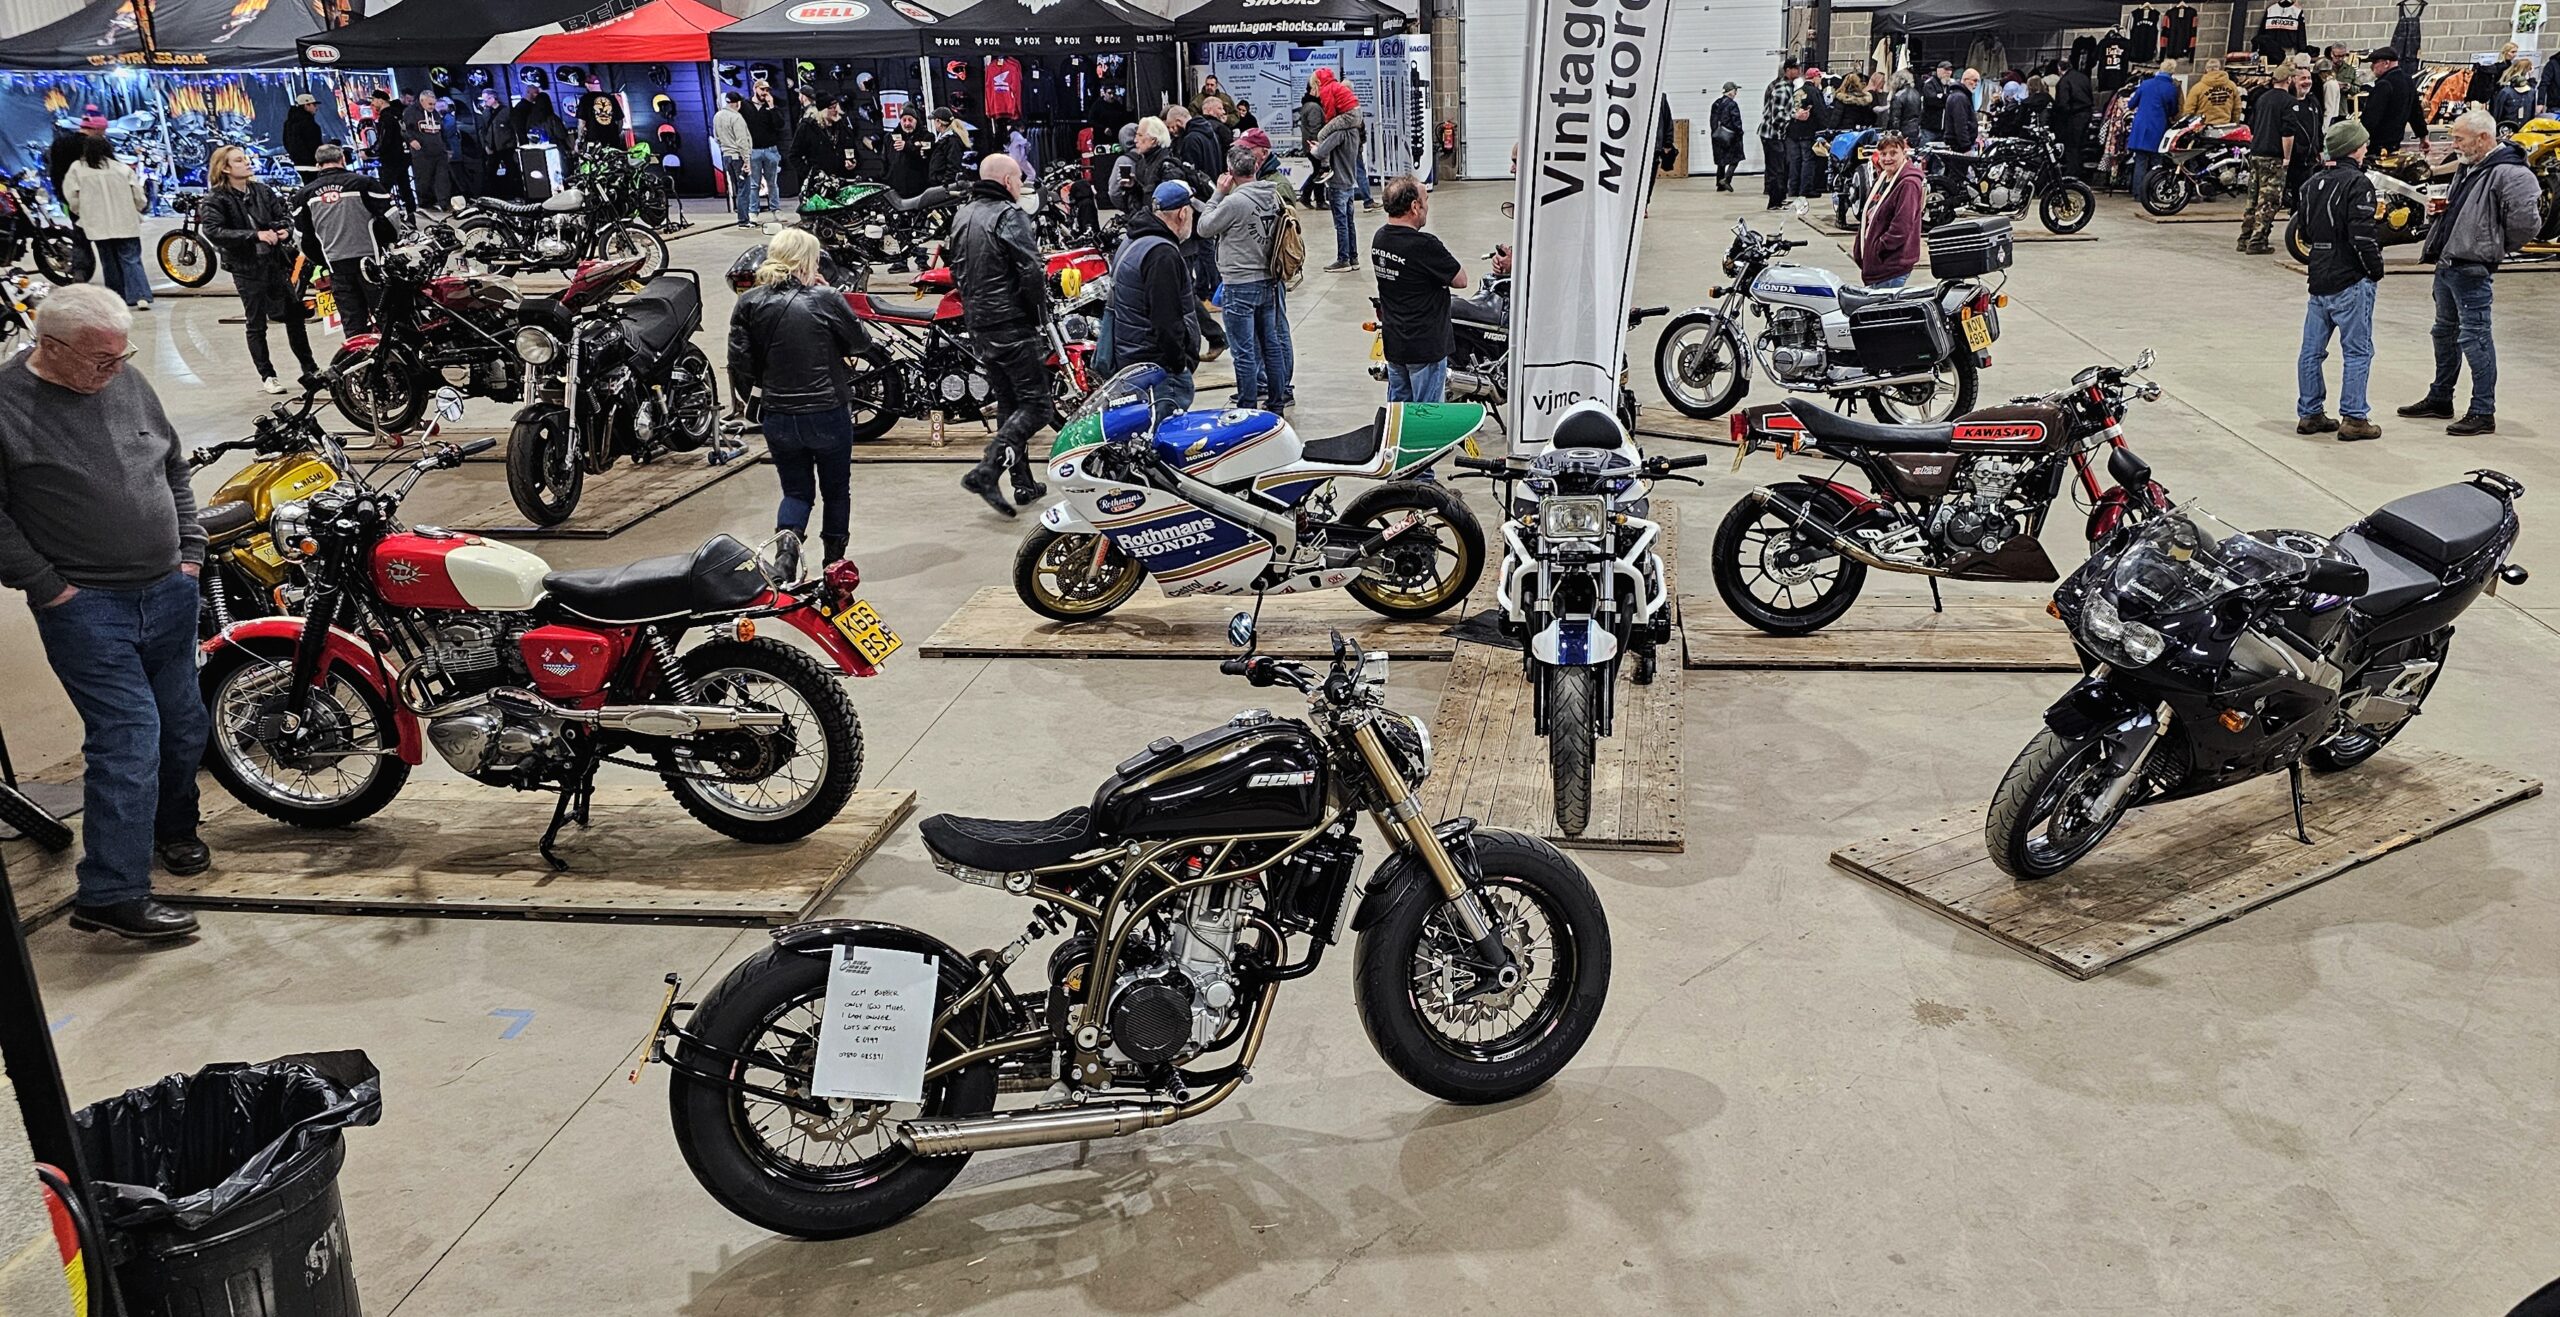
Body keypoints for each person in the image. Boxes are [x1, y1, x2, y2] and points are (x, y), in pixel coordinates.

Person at [0, 284, 208, 941]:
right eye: (100, 360)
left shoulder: (125, 379)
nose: (114, 371)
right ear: (51, 346)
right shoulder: (5, 404)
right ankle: (111, 892)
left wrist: (190, 552)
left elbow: (171, 465)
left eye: (122, 357)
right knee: (128, 736)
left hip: (168, 589)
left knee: (183, 724)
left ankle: (172, 829)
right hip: (87, 607)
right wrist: (47, 586)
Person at [727, 228, 868, 571]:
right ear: (808, 261)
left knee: (795, 492)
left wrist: (766, 388)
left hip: (778, 415)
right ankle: (834, 565)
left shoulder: (748, 302)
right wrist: (831, 295)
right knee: (836, 491)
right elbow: (861, 343)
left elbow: (740, 363)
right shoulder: (825, 297)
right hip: (827, 411)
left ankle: (786, 557)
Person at [2401, 110, 2540, 436]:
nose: (2454, 144)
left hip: (2472, 268)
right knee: (2443, 333)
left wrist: (2491, 245)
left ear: (2483, 138)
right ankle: (2440, 398)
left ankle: (2482, 411)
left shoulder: (2512, 174)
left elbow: (2527, 224)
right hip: (2448, 263)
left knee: (2475, 338)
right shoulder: (2469, 166)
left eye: (2459, 139)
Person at [949, 157, 1053, 517]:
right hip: (1011, 323)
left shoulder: (962, 215)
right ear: (1008, 181)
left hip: (979, 324)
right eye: (1019, 179)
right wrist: (1038, 316)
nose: (1021, 186)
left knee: (1010, 402)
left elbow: (955, 270)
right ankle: (987, 469)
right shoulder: (1009, 215)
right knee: (1038, 406)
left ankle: (1022, 483)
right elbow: (1030, 269)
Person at [200, 146, 318, 394]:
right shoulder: (215, 199)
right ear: (225, 168)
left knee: (295, 316)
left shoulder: (262, 191)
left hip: (275, 263)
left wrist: (284, 230)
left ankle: (310, 369)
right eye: (239, 160)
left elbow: (284, 216)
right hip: (246, 267)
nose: (247, 162)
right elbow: (214, 231)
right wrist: (255, 235)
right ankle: (268, 375)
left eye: (245, 158)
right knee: (256, 323)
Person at [2295, 120, 2386, 441]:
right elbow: (2363, 235)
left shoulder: (2311, 184)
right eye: (2363, 144)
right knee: (2358, 351)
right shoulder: (2358, 184)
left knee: (2311, 350)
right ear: (2353, 149)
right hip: (2350, 277)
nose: (2366, 148)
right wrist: (2375, 269)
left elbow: (2304, 232)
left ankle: (2310, 413)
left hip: (2318, 275)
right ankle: (2355, 418)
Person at [1200, 143, 1288, 412]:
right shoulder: (1273, 195)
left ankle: (1247, 406)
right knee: (1271, 345)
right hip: (1268, 280)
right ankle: (1277, 403)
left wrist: (1218, 193)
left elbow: (1204, 227)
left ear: (1230, 172)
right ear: (1256, 166)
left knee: (1244, 351)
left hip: (1239, 284)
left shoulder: (1234, 202)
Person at [1106, 181, 1204, 414]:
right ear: (1182, 213)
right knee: (1164, 430)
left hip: (1133, 360)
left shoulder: (1133, 241)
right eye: (1191, 213)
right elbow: (1166, 319)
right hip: (1159, 369)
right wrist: (1178, 364)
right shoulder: (1162, 254)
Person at [1369, 175, 1467, 404]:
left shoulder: (1380, 239)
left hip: (1396, 345)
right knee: (1426, 415)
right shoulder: (1424, 245)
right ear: (1415, 206)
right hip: (1425, 347)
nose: (1427, 207)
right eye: (1426, 200)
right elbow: (1461, 280)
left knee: (1399, 411)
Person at [292, 144, 399, 337]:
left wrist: (324, 261)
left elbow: (302, 239)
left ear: (318, 165)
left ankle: (360, 356)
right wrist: (385, 245)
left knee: (353, 326)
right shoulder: (365, 183)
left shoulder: (304, 195)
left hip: (336, 268)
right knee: (388, 322)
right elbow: (391, 220)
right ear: (342, 159)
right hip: (372, 266)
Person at [62, 137, 149, 310]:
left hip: (97, 224)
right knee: (131, 260)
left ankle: (117, 297)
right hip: (126, 221)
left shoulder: (77, 169)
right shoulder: (121, 168)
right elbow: (138, 195)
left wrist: (80, 212)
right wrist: (138, 208)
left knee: (109, 262)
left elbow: (72, 197)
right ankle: (140, 296)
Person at [2238, 67, 2304, 255]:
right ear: (2289, 80)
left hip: (2256, 152)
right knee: (2269, 200)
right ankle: (2258, 240)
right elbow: (2288, 133)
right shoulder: (2289, 102)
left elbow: (2252, 126)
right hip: (2273, 156)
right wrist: (2287, 157)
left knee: (2253, 198)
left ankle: (2245, 237)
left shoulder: (2262, 98)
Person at [1853, 131, 1925, 289]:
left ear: (1904, 153)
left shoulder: (1908, 184)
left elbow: (1902, 225)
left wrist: (1880, 247)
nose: (1887, 158)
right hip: (1877, 266)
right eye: (1883, 153)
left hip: (1890, 267)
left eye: (1893, 153)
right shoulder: (1883, 178)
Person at [1311, 97, 1366, 271]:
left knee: (1341, 224)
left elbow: (1321, 152)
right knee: (1350, 223)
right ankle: (1353, 258)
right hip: (1349, 182)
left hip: (1337, 183)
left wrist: (1314, 149)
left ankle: (1343, 259)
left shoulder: (1339, 133)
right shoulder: (1355, 132)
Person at [2128, 62, 2183, 200]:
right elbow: (2173, 110)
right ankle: (2152, 192)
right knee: (2157, 162)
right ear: (2172, 72)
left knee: (2140, 161)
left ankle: (2138, 193)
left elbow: (2131, 104)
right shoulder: (2171, 88)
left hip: (2141, 126)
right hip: (2158, 127)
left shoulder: (2145, 84)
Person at [2361, 48, 2427, 153]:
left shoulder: (2384, 84)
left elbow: (2371, 117)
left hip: (2377, 145)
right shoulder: (2408, 80)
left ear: (2386, 63)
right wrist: (2423, 137)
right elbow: (2416, 113)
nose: (2372, 67)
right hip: (2395, 144)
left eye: (2374, 62)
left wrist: (2359, 141)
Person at [740, 83, 786, 220]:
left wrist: (771, 107)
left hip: (770, 149)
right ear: (755, 89)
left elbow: (780, 125)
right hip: (753, 150)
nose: (765, 92)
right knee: (754, 184)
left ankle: (776, 209)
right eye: (762, 89)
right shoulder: (745, 106)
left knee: (772, 183)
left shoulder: (772, 107)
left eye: (767, 90)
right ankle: (753, 211)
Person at [407, 90, 455, 213]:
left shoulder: (435, 114)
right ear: (422, 101)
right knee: (424, 180)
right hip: (422, 154)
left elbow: (442, 132)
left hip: (439, 152)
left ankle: (444, 203)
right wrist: (411, 140)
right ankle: (426, 205)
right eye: (430, 104)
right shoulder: (410, 112)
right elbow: (404, 128)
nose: (432, 107)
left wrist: (448, 148)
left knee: (443, 179)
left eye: (434, 104)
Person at [1760, 61, 1799, 210]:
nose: (1798, 71)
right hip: (1772, 134)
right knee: (1776, 169)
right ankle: (1774, 202)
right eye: (1795, 68)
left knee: (1783, 166)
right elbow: (1777, 116)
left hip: (1777, 135)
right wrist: (1795, 115)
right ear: (1787, 70)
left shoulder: (1787, 86)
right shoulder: (1782, 88)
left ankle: (1780, 199)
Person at [1786, 67, 1829, 200]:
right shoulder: (1814, 92)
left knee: (1795, 161)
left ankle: (1793, 189)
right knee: (1808, 160)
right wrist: (1826, 128)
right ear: (1815, 78)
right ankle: (1806, 189)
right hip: (1808, 131)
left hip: (1793, 132)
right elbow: (1821, 112)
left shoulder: (1797, 91)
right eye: (1819, 78)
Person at [712, 92, 753, 227]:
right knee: (744, 189)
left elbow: (717, 138)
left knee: (737, 187)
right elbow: (742, 141)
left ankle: (742, 218)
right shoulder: (736, 117)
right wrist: (746, 161)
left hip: (726, 157)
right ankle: (744, 220)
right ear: (737, 103)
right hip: (738, 157)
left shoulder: (717, 116)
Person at [794, 96, 854, 188]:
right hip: (819, 184)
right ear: (821, 110)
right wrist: (811, 174)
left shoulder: (842, 126)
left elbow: (853, 149)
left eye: (836, 107)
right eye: (831, 108)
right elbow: (793, 156)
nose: (836, 110)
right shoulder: (807, 127)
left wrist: (853, 162)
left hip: (842, 180)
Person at [366, 89, 411, 209]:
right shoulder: (398, 114)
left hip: (391, 158)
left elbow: (384, 140)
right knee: (405, 187)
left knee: (384, 189)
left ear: (381, 101)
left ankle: (381, 212)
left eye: (374, 100)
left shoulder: (386, 117)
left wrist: (370, 152)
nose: (372, 104)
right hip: (403, 156)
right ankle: (411, 211)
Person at [47, 108, 106, 196]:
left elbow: (53, 168)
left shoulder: (59, 142)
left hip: (63, 192)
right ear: (96, 129)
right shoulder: (94, 146)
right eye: (103, 131)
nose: (104, 135)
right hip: (87, 195)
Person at [1710, 82, 1747, 191]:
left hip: (1718, 136)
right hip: (1731, 137)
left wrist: (1715, 133)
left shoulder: (1716, 103)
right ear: (1730, 92)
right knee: (1736, 158)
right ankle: (1727, 179)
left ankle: (1720, 185)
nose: (1736, 93)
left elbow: (1712, 121)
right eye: (1735, 91)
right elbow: (1736, 121)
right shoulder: (1732, 104)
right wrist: (1740, 132)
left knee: (1721, 161)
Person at [885, 112, 930, 197]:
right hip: (896, 189)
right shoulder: (889, 138)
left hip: (919, 189)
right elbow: (884, 161)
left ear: (916, 120)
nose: (907, 123)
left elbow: (926, 154)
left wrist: (907, 146)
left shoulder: (926, 136)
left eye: (910, 120)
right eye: (904, 120)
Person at [283, 92, 324, 184]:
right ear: (306, 105)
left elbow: (286, 142)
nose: (316, 108)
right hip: (313, 166)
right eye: (314, 105)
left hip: (298, 165)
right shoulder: (309, 124)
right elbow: (315, 146)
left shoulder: (288, 124)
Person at [926, 106, 972, 186]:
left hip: (946, 186)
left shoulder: (952, 140)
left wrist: (945, 184)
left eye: (934, 120)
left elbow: (953, 166)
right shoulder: (944, 139)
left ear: (938, 122)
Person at [1941, 68, 1981, 154]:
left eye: (1978, 81)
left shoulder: (1960, 96)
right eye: (1974, 80)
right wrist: (1966, 147)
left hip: (1960, 145)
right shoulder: (1959, 98)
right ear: (1965, 80)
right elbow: (1960, 124)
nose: (1976, 84)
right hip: (1959, 147)